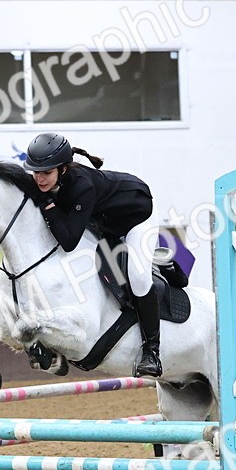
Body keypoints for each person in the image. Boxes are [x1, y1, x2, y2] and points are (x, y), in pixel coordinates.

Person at [22, 132, 162, 377]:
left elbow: (68, 241)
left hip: (136, 217)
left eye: (46, 173)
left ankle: (152, 351)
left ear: (63, 170)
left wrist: (48, 206)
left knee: (139, 278)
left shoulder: (81, 187)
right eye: (35, 172)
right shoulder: (44, 181)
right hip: (104, 220)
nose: (40, 179)